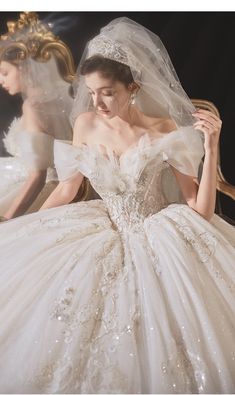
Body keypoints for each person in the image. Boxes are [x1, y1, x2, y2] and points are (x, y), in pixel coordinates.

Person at [0, 17, 235, 394]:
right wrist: (27, 228)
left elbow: (199, 208)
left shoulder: (163, 130)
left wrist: (210, 148)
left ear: (133, 87)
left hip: (159, 232)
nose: (97, 102)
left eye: (107, 92)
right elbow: (67, 189)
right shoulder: (85, 124)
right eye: (92, 92)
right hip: (100, 226)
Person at [0, 12, 74, 220]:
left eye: (5, 73)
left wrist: (7, 219)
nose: (0, 80)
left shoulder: (32, 107)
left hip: (40, 191)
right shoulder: (61, 96)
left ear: (25, 68)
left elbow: (38, 176)